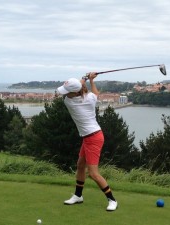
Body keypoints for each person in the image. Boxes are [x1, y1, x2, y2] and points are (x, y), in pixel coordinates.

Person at [56, 72, 118, 211]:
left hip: (93, 138)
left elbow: (79, 86)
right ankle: (78, 195)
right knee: (80, 165)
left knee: (93, 173)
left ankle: (112, 200)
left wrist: (85, 79)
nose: (64, 93)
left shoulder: (68, 101)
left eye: (67, 91)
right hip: (90, 136)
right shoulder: (90, 98)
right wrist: (90, 80)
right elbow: (94, 92)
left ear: (74, 92)